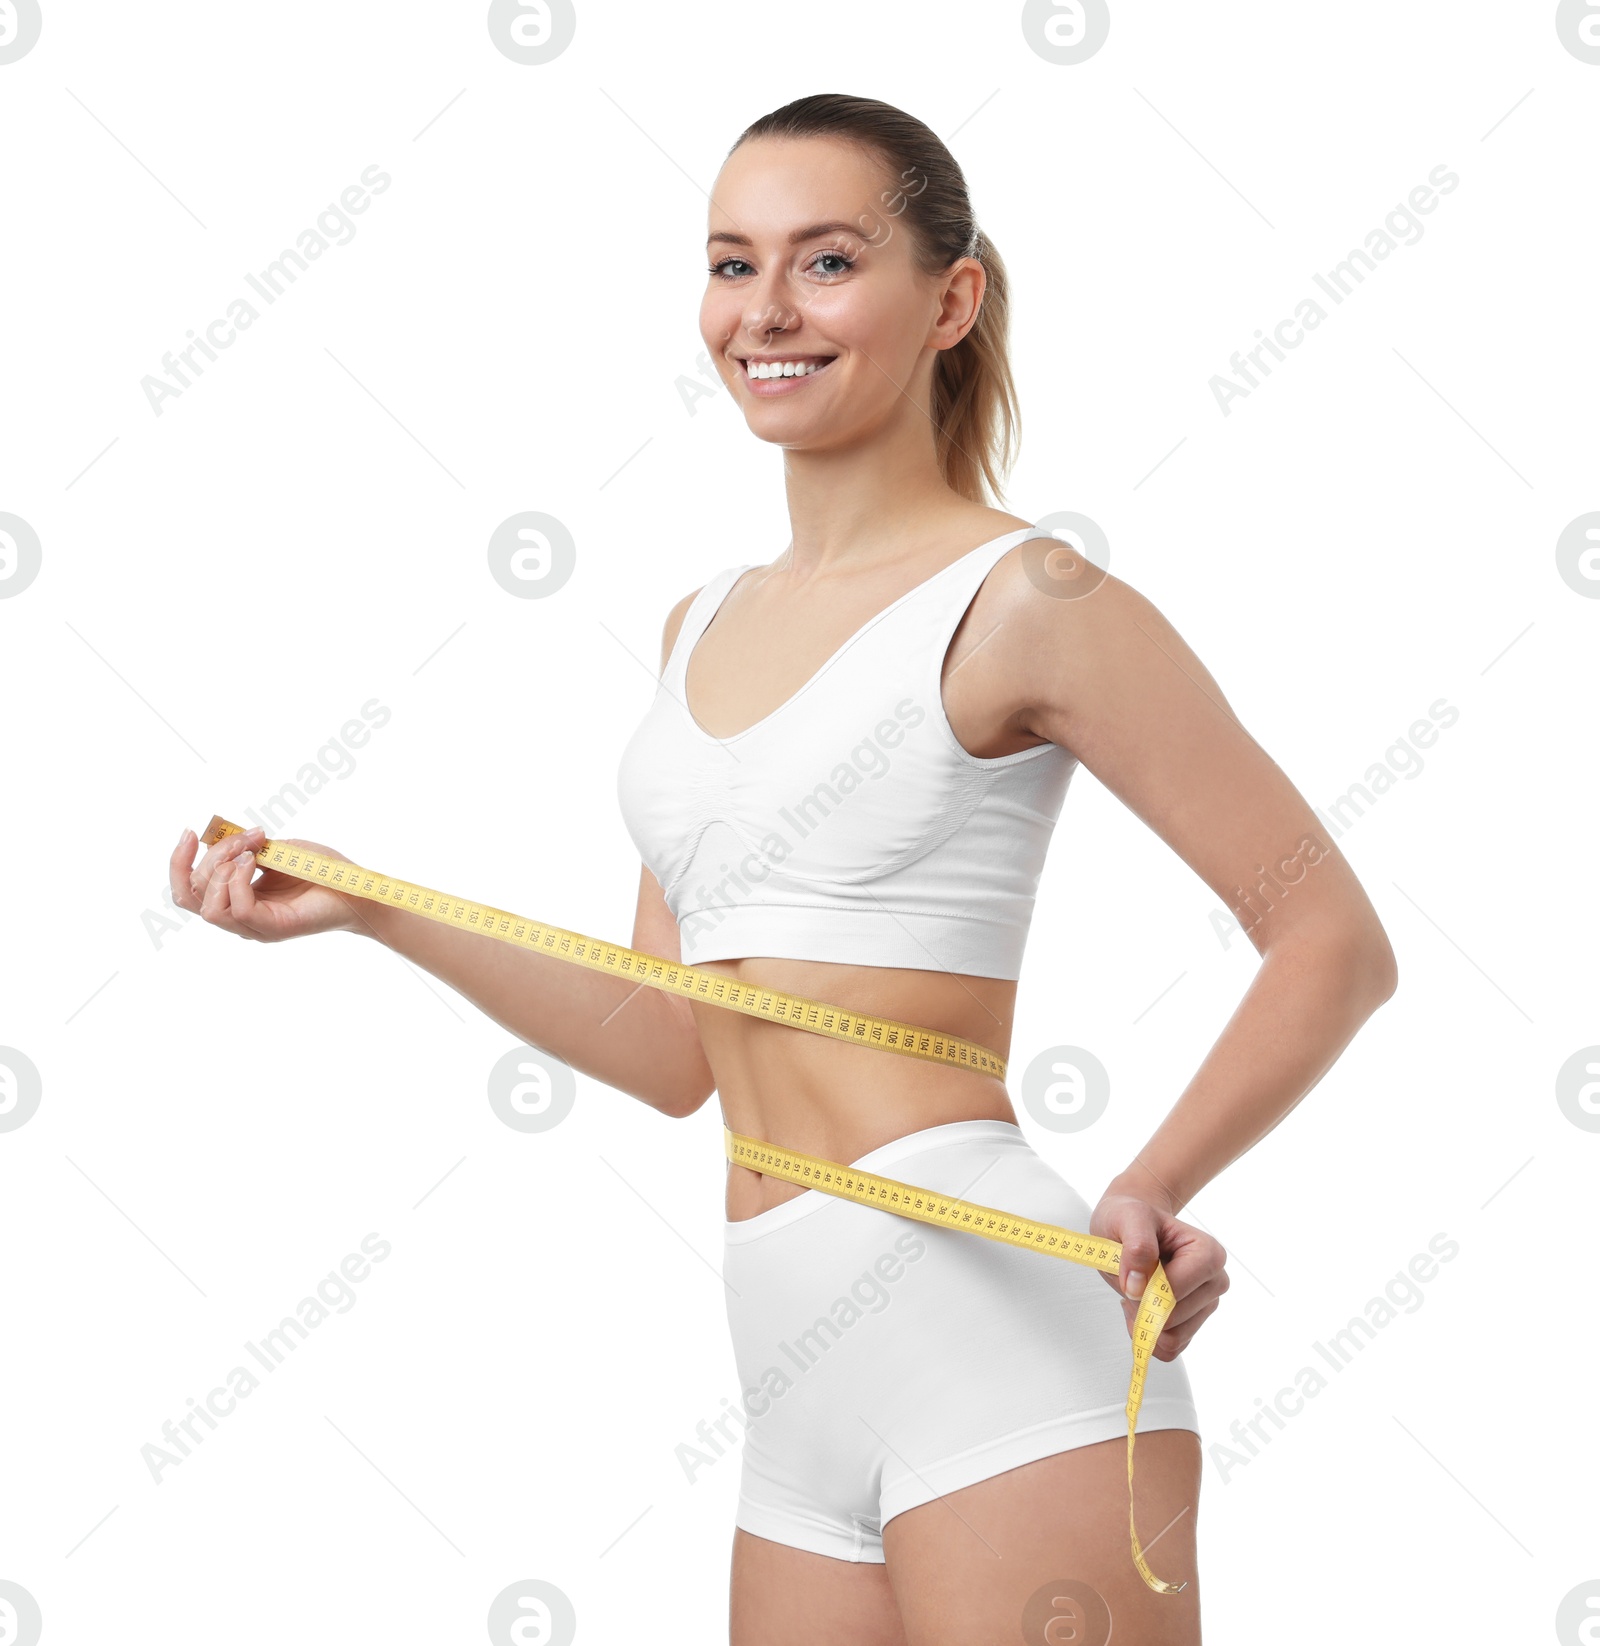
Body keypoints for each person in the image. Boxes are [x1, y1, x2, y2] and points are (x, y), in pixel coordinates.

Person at [171, 93, 1398, 1646]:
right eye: (730, 262)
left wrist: (1154, 1182)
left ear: (948, 299)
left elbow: (1331, 937)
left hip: (996, 1341)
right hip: (789, 1370)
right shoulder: (700, 625)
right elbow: (671, 1043)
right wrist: (373, 906)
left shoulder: (1033, 596)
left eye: (826, 262)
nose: (764, 311)